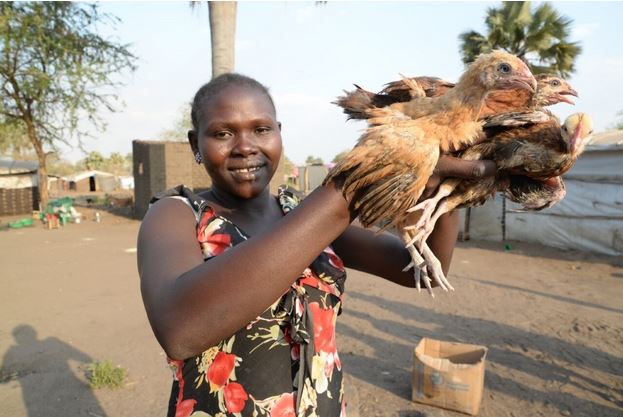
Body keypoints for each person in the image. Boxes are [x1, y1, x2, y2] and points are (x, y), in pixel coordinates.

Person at [137, 73, 496, 417]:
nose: (245, 147)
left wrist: (447, 188)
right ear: (194, 144)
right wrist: (352, 184)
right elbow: (180, 330)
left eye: (261, 129)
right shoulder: (176, 215)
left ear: (279, 134)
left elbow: (418, 268)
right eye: (222, 133)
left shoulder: (302, 213)